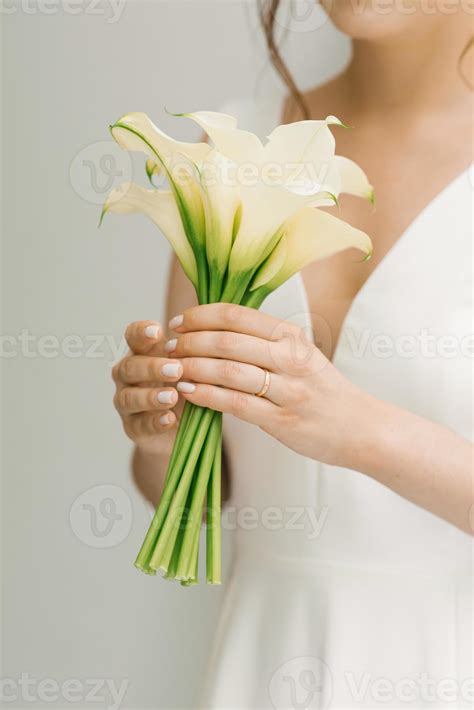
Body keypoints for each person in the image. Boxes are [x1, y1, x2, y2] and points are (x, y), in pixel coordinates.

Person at [112, 4, 473, 707]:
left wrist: (355, 430)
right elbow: (194, 497)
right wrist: (164, 441)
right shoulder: (229, 151)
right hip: (264, 659)